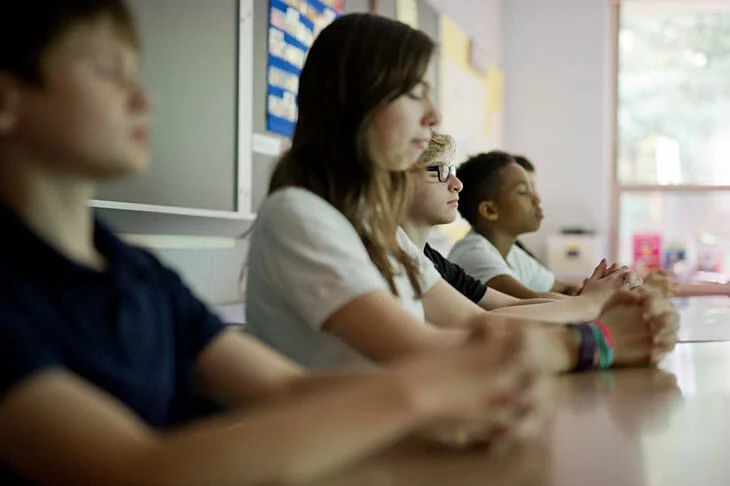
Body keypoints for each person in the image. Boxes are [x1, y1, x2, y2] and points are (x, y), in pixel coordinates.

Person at [0, 4, 551, 484]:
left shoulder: (138, 273)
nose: (144, 96)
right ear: (8, 99)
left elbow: (288, 389)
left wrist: (459, 404)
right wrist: (422, 397)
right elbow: (134, 469)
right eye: (107, 71)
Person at [244, 12, 678, 386]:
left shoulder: (379, 230)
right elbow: (424, 351)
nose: (431, 117)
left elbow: (475, 323)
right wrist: (597, 333)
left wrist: (595, 307)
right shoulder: (300, 215)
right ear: (358, 104)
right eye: (414, 95)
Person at [402, 131, 632, 323]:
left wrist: (597, 297)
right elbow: (484, 319)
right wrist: (593, 302)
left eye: (452, 171)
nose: (456, 184)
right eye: (440, 171)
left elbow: (516, 304)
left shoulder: (430, 257)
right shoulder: (470, 253)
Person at [449, 151, 641, 300]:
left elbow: (564, 289)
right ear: (490, 211)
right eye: (524, 191)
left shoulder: (513, 254)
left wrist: (609, 284)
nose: (537, 198)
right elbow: (530, 302)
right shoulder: (473, 253)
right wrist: (602, 295)